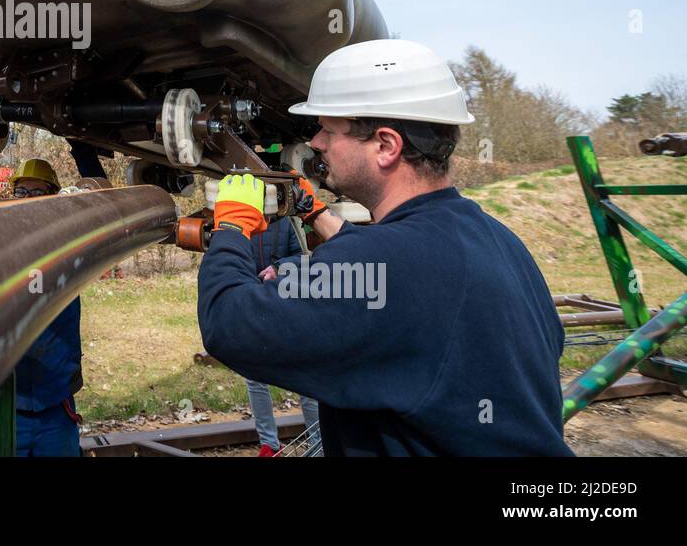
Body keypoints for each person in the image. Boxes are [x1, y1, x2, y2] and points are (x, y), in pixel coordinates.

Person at [198, 39, 572, 456]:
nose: (316, 143)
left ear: (386, 145)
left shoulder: (378, 265)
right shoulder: (499, 241)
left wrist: (231, 225)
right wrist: (312, 211)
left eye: (328, 129)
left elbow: (227, 323)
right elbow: (402, 268)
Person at [10, 157, 84, 456]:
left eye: (37, 192)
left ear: (53, 195)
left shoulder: (68, 243)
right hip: (8, 404)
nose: (28, 201)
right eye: (21, 193)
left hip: (55, 403)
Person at [241, 214, 320, 457]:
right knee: (254, 378)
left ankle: (318, 443)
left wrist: (277, 268)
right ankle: (269, 445)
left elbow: (304, 259)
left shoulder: (287, 223)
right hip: (255, 305)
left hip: (290, 307)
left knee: (305, 379)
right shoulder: (241, 223)